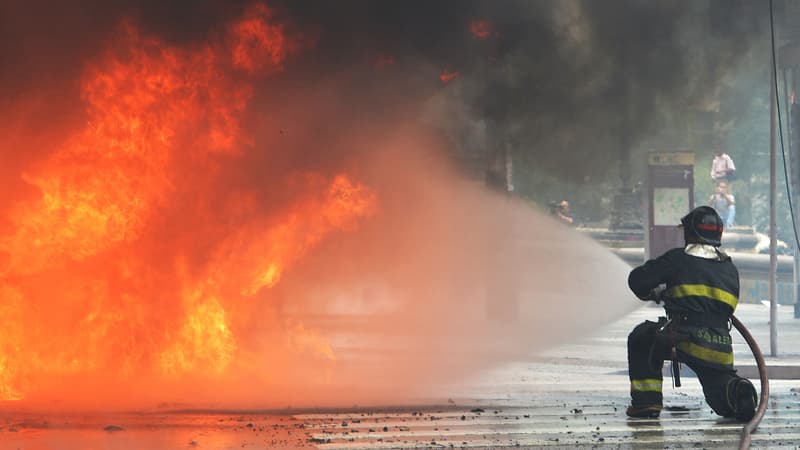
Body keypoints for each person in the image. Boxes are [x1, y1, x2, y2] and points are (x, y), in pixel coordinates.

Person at [625, 206, 757, 421]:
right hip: (719, 344)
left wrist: (657, 293)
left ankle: (646, 403)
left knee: (642, 337)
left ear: (690, 233)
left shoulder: (678, 259)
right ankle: (738, 390)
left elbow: (637, 280)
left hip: (682, 337)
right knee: (721, 399)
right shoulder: (729, 267)